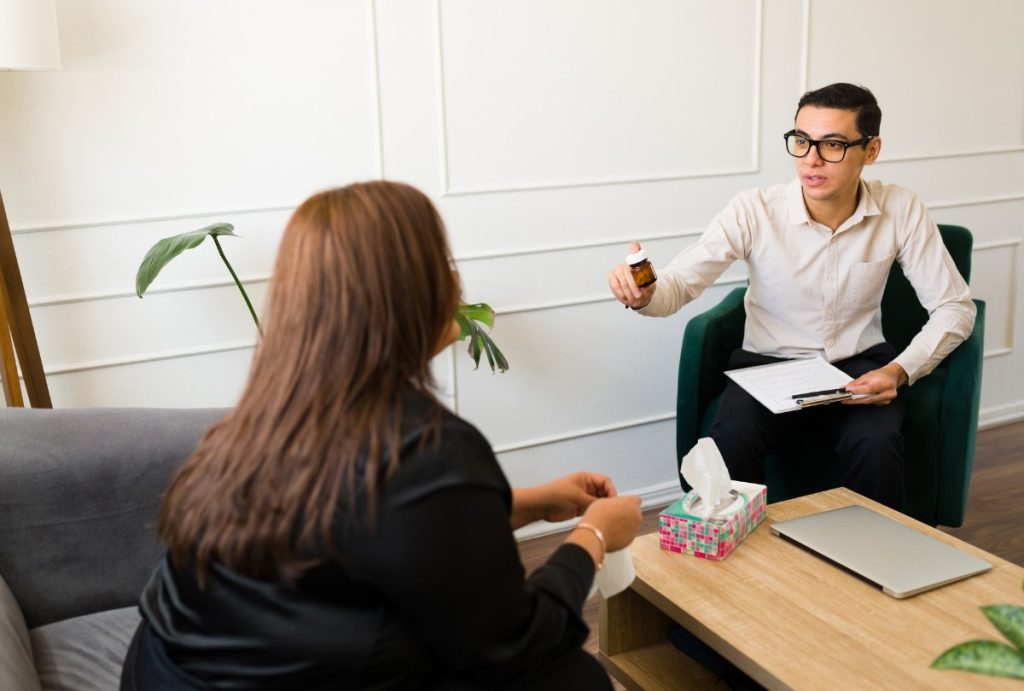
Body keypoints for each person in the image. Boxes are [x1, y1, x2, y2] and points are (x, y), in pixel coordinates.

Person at [121, 180, 643, 690]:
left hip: (157, 668)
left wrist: (529, 504)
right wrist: (593, 536)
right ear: (410, 293)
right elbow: (515, 643)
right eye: (441, 262)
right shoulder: (431, 448)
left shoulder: (264, 422)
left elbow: (379, 529)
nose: (454, 280)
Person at [607, 83, 976, 510]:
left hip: (857, 371)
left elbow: (955, 308)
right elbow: (679, 285)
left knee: (877, 446)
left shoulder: (901, 209)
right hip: (768, 369)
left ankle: (874, 566)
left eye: (832, 144)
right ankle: (732, 570)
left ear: (871, 150)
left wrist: (898, 371)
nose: (811, 159)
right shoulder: (753, 211)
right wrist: (644, 293)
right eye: (801, 141)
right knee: (729, 444)